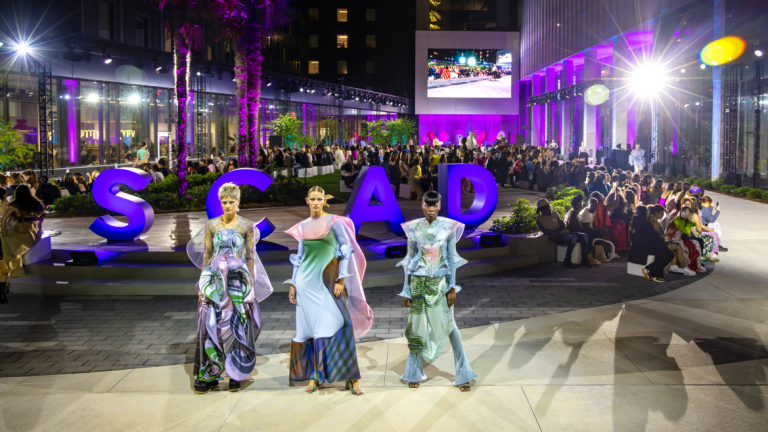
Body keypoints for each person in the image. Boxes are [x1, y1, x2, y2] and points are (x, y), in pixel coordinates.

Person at [285, 186, 372, 395]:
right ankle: (315, 375)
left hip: (328, 284)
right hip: (306, 287)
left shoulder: (335, 223)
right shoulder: (302, 226)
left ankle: (353, 378)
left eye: (319, 199)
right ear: (307, 201)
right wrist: (293, 284)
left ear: (325, 201)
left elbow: (346, 251)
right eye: (312, 199)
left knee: (342, 325)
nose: (316, 202)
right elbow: (299, 258)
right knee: (313, 331)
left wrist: (341, 280)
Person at [187, 183, 273, 393]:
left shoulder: (247, 226)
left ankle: (236, 372)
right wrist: (202, 286)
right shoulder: (211, 225)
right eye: (224, 202)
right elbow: (207, 256)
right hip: (215, 281)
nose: (227, 205)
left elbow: (251, 257)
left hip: (237, 282)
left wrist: (250, 289)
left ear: (238, 202)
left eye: (231, 202)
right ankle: (210, 374)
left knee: (237, 324)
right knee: (211, 324)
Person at [397, 191, 477, 391]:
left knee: (450, 327)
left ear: (439, 206)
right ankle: (413, 372)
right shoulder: (413, 228)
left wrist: (451, 287)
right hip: (417, 284)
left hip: (440, 284)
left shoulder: (449, 227)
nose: (431, 209)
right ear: (422, 205)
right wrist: (406, 289)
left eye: (434, 205)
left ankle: (463, 373)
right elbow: (409, 259)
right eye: (427, 205)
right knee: (416, 329)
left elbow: (451, 258)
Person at [1, 185, 45, 287]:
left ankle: (14, 271)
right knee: (11, 243)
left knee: (6, 243)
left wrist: (4, 233)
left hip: (22, 230)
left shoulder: (16, 205)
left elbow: (3, 220)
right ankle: (15, 270)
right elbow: (42, 217)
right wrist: (38, 226)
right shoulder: (37, 202)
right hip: (35, 231)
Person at [536, 198, 592, 268]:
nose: (550, 209)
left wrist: (556, 232)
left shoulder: (554, 213)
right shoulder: (540, 219)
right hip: (558, 238)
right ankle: (567, 261)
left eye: (549, 207)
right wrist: (557, 232)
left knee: (584, 236)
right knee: (573, 238)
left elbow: (562, 226)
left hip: (565, 233)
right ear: (543, 210)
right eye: (548, 208)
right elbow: (544, 231)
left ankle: (584, 259)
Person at [628, 206, 675, 283]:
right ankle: (655, 274)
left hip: (639, 247)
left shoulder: (636, 223)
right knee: (667, 253)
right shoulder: (645, 224)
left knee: (667, 251)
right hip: (643, 248)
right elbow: (653, 237)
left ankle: (652, 271)